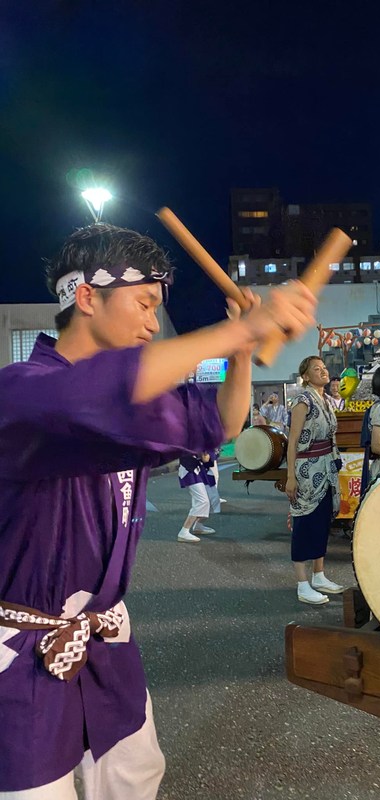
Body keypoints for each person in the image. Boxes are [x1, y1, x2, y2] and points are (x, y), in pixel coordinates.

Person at [0, 223, 316, 798]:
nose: (152, 321)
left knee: (135, 776)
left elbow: (219, 424)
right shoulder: (21, 391)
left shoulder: (131, 391)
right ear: (86, 296)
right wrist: (238, 327)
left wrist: (242, 352)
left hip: (106, 639)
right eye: (144, 303)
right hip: (21, 652)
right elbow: (94, 396)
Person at [286, 356, 343, 605]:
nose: (323, 371)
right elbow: (293, 440)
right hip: (307, 469)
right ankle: (302, 583)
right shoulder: (302, 400)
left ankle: (319, 575)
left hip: (326, 466)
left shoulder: (326, 400)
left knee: (321, 521)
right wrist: (290, 476)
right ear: (306, 377)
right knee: (304, 523)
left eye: (324, 368)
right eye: (316, 369)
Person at [177, 451, 220, 542]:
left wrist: (206, 457)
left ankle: (198, 526)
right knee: (202, 501)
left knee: (212, 499)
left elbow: (208, 461)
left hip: (200, 470)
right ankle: (184, 531)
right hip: (189, 470)